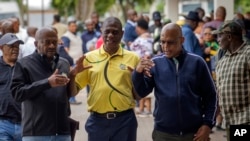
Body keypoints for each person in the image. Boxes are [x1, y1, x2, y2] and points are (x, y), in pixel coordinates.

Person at [132, 23, 217, 141]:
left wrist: (207, 125)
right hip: (163, 134)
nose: (165, 46)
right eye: (162, 42)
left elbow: (211, 97)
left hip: (193, 133)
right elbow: (141, 93)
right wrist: (137, 73)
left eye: (170, 42)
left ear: (182, 40)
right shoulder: (155, 63)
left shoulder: (197, 62)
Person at [71, 17, 139, 141]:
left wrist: (138, 78)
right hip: (98, 122)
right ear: (101, 31)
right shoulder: (88, 58)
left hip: (125, 122)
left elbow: (138, 95)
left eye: (115, 32)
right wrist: (72, 75)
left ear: (122, 33)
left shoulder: (133, 58)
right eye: (107, 31)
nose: (110, 35)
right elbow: (73, 92)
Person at [11, 27, 73, 141]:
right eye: (47, 42)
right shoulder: (24, 64)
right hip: (36, 133)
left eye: (54, 42)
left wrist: (74, 76)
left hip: (62, 132)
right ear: (36, 44)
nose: (52, 46)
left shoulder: (64, 64)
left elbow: (68, 94)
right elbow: (17, 94)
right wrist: (47, 83)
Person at [213, 20, 250, 141]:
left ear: (229, 36)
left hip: (245, 119)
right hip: (229, 121)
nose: (218, 40)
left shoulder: (247, 54)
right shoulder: (223, 60)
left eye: (220, 36)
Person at [0, 33, 24, 141]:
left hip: (25, 123)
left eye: (17, 46)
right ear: (1, 47)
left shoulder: (24, 67)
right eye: (11, 46)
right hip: (3, 124)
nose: (15, 49)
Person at [130, 18, 154, 117]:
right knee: (146, 87)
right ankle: (145, 109)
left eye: (136, 27)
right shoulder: (150, 38)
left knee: (141, 87)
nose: (135, 29)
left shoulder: (142, 40)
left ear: (139, 27)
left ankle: (144, 109)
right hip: (147, 66)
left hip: (141, 67)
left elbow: (143, 54)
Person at [62, 20, 83, 105]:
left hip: (78, 60)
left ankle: (72, 98)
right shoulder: (66, 37)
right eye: (72, 26)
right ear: (68, 27)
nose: (74, 27)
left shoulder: (77, 36)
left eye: (75, 26)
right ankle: (71, 98)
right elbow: (65, 49)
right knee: (72, 80)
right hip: (72, 61)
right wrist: (70, 61)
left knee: (75, 80)